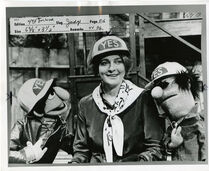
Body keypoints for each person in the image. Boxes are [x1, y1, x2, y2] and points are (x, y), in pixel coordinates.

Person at [71, 35, 165, 163]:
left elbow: (156, 148)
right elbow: (81, 150)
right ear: (96, 68)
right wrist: (76, 163)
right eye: (104, 63)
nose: (111, 68)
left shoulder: (143, 98)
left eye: (118, 61)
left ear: (125, 65)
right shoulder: (86, 104)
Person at [145, 62, 206, 161]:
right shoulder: (170, 129)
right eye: (155, 88)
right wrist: (171, 147)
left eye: (164, 84)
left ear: (187, 83)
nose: (157, 93)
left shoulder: (201, 124)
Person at [9, 78, 74, 164]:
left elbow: (74, 146)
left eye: (51, 92)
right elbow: (4, 155)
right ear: (38, 109)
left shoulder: (59, 126)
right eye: (49, 95)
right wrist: (26, 155)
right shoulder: (21, 126)